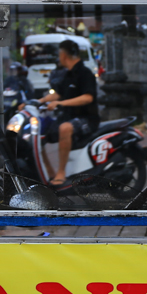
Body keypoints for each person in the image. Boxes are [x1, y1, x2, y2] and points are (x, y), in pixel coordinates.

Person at [32, 40, 99, 186]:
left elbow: (88, 97)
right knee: (39, 133)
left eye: (59, 53)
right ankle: (49, 174)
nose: (58, 57)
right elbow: (58, 94)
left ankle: (61, 173)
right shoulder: (67, 75)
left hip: (86, 119)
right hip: (67, 116)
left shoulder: (85, 73)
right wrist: (38, 101)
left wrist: (60, 103)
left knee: (65, 128)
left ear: (64, 55)